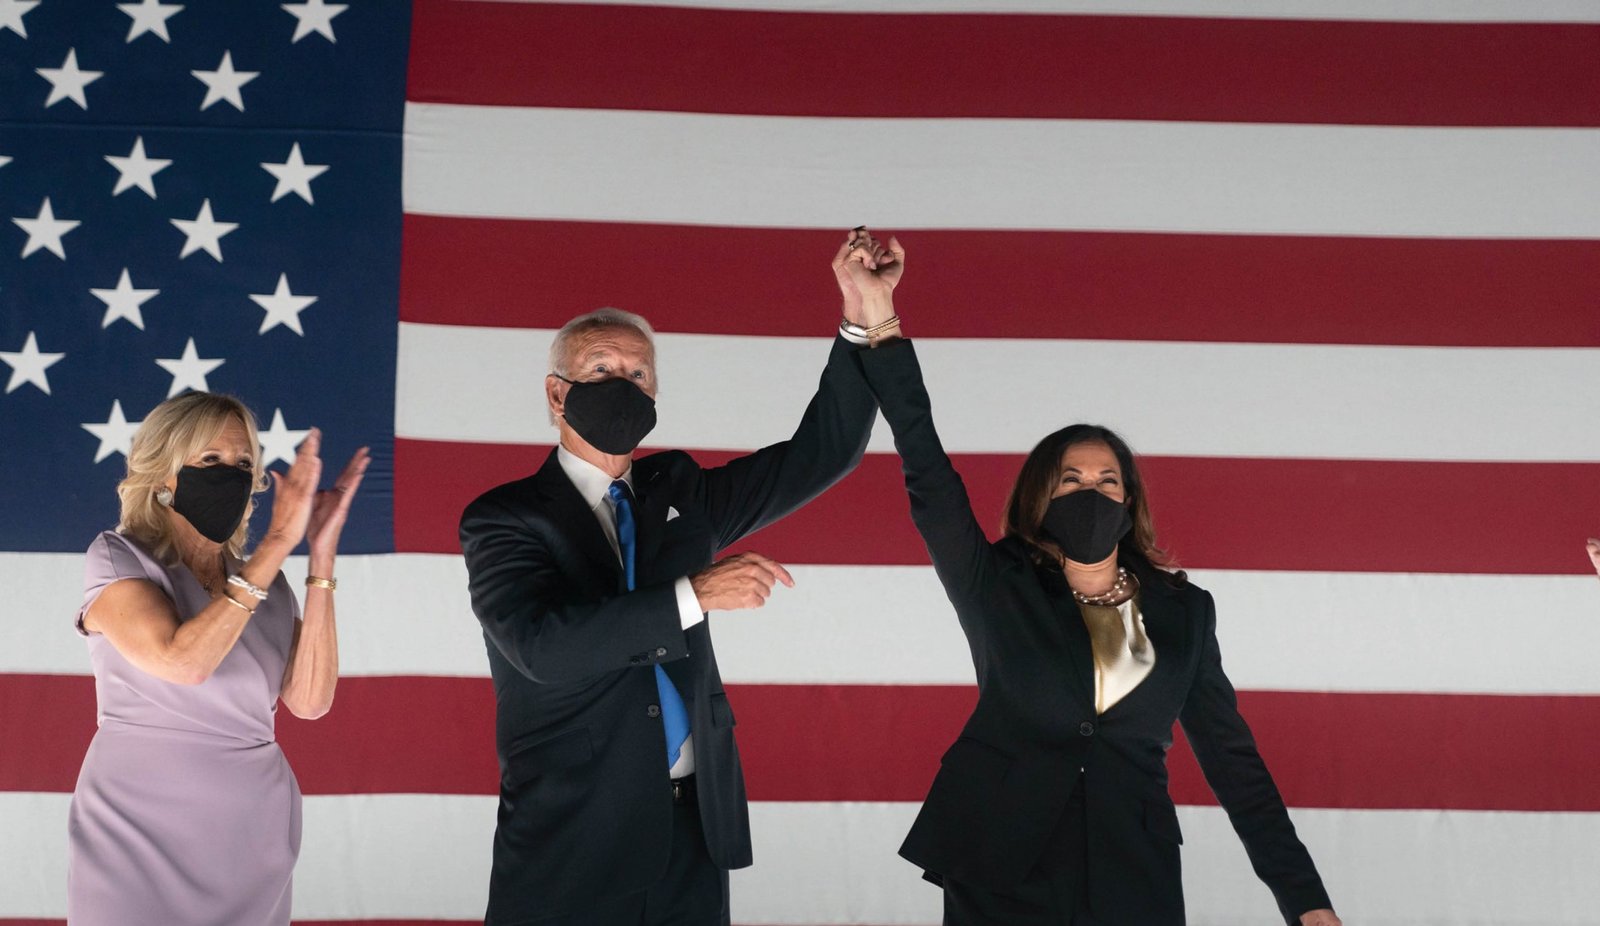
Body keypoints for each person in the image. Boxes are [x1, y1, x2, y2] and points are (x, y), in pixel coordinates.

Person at [837, 230, 1340, 926]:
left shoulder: (1185, 613)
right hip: (1000, 865)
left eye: (1107, 481)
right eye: (1070, 479)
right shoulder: (996, 583)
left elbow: (1234, 763)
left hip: (1131, 874)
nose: (1090, 491)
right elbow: (927, 471)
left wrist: (1306, 900)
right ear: (1041, 497)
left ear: (1130, 503)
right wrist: (882, 323)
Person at [457, 269, 885, 925]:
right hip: (574, 837)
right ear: (556, 392)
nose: (621, 384)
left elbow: (822, 453)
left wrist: (860, 323)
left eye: (638, 375)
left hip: (693, 828)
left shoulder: (680, 490)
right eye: (600, 368)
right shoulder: (504, 518)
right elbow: (542, 646)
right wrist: (694, 594)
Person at [68, 392, 369, 926]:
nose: (230, 475)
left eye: (243, 464)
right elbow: (184, 664)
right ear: (163, 474)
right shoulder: (118, 557)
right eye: (210, 461)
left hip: (252, 841)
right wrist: (277, 542)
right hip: (136, 835)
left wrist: (319, 554)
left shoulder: (267, 586)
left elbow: (310, 701)